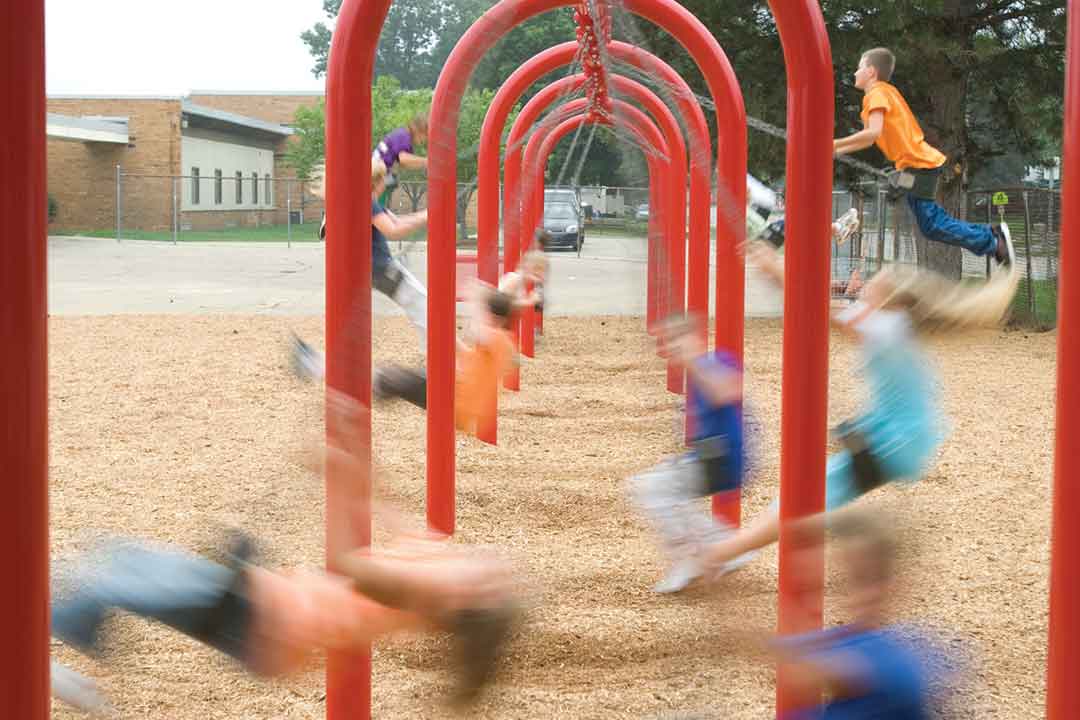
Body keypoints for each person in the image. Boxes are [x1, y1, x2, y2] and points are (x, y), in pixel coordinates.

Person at [50, 393, 518, 716]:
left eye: (490, 583)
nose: (495, 567)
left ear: (462, 605)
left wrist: (337, 478)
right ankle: (72, 656)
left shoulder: (424, 593)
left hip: (265, 622)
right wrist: (350, 442)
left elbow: (347, 563)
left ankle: (48, 655)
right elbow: (384, 502)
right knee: (121, 556)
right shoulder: (437, 566)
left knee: (119, 580)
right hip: (269, 604)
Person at [704, 239, 1018, 576]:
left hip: (897, 439)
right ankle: (735, 549)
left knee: (811, 495)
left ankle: (722, 553)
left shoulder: (889, 330)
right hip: (897, 434)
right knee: (813, 492)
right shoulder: (894, 327)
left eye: (872, 285)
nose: (863, 287)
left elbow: (819, 308)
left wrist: (774, 267)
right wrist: (776, 274)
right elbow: (815, 306)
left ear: (891, 302)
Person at [833, 47, 1014, 267]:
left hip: (920, 164)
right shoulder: (884, 92)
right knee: (932, 224)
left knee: (933, 225)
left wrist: (833, 145)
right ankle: (991, 236)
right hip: (915, 165)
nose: (855, 73)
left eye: (859, 67)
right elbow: (869, 137)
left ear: (871, 71)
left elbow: (871, 134)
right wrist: (837, 150)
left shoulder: (877, 93)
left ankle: (993, 241)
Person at [768, 512, 941, 719]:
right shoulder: (849, 638)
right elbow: (789, 654)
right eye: (845, 582)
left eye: (863, 579)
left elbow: (850, 669)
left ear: (893, 587)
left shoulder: (896, 665)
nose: (859, 594)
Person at [628, 314, 747, 594]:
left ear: (694, 339)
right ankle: (724, 546)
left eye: (674, 342)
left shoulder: (716, 361)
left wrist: (693, 359)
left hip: (726, 459)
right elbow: (701, 431)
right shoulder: (695, 374)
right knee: (657, 488)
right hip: (710, 456)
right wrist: (677, 459)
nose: (672, 350)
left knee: (651, 488)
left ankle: (698, 554)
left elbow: (726, 392)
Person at [298, 158, 430, 377]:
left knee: (357, 327)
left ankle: (316, 362)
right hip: (380, 269)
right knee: (421, 304)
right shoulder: (367, 201)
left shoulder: (344, 202)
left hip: (358, 273)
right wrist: (429, 216)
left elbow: (397, 221)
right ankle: (436, 360)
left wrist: (426, 215)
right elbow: (393, 230)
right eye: (384, 181)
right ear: (376, 183)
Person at [374, 282, 516, 438]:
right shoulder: (492, 347)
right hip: (456, 398)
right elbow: (464, 353)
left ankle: (374, 383)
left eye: (487, 314)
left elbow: (478, 331)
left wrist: (477, 301)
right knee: (402, 376)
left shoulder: (499, 340)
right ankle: (380, 386)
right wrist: (445, 330)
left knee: (389, 377)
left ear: (495, 317)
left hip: (454, 400)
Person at [374, 114, 430, 206]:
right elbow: (403, 159)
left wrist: (424, 164)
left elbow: (405, 164)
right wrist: (426, 161)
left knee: (380, 189)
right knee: (378, 190)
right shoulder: (404, 136)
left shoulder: (403, 135)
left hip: (379, 169)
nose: (424, 140)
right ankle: (372, 210)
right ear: (419, 130)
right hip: (377, 168)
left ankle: (373, 209)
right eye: (425, 136)